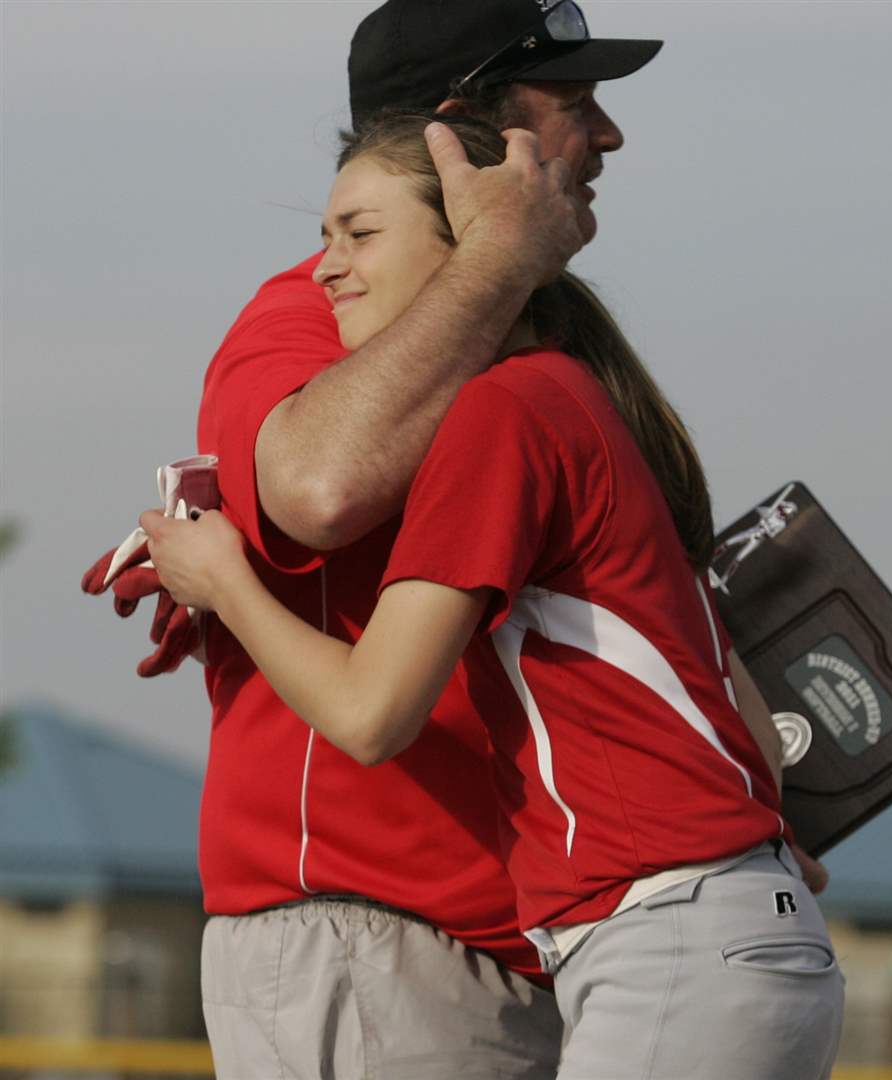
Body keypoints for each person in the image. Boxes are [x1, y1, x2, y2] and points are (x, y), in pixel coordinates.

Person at [143, 111, 845, 1080]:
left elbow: (370, 712)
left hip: (672, 940)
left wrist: (222, 576)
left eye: (361, 232)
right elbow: (755, 740)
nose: (325, 267)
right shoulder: (575, 395)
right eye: (323, 237)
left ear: (472, 243)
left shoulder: (502, 412)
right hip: (723, 933)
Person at [83, 2, 689, 1076]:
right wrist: (500, 254)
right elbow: (320, 488)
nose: (606, 135)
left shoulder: (537, 345)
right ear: (467, 133)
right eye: (573, 101)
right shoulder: (307, 308)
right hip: (367, 930)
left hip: (536, 934)